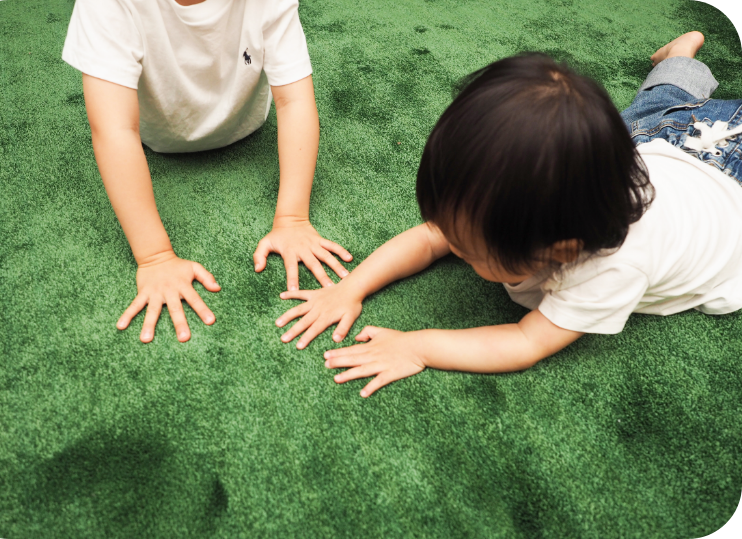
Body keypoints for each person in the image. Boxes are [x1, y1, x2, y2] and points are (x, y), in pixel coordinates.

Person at [275, 31, 742, 397]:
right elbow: (428, 238)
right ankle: (683, 58)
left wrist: (416, 345)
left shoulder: (612, 268)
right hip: (660, 146)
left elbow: (524, 343)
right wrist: (350, 288)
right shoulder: (563, 184)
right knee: (657, 111)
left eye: (465, 248)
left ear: (557, 251)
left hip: (729, 185)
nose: (445, 244)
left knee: (664, 114)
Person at [62, 0, 353, 343]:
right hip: (153, 136)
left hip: (244, 123)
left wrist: (292, 218)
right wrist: (155, 257)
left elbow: (295, 101)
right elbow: (114, 130)